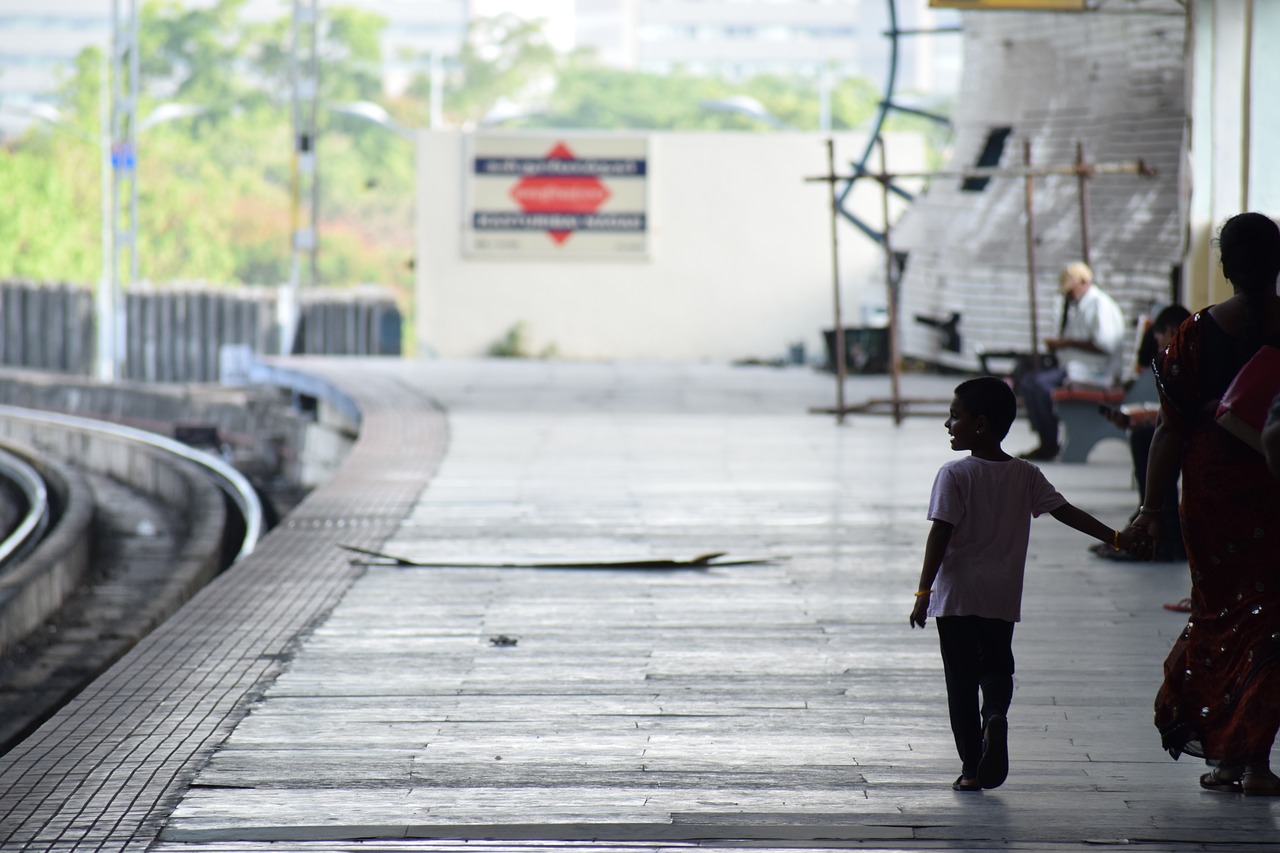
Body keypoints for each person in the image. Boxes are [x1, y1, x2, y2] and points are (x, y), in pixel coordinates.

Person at [909, 376, 1145, 791]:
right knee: (997, 666)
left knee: (961, 683)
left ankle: (970, 769)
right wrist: (1116, 537)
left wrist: (923, 592)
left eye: (954, 416)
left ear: (980, 425)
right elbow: (1066, 511)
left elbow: (940, 536)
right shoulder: (1026, 474)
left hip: (958, 596)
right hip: (1001, 594)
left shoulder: (954, 475)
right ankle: (996, 714)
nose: (948, 425)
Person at [1127, 212, 1280, 796]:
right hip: (1275, 485)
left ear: (1224, 265)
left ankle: (1225, 758)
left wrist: (1152, 509)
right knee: (1272, 622)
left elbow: (1168, 429)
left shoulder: (1193, 333)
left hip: (1214, 494)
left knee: (1221, 617)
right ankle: (1256, 759)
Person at [1092, 304, 1191, 566]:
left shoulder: (1185, 356)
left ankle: (1162, 529)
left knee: (1151, 438)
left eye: (1158, 337)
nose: (1158, 343)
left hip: (1205, 432)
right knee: (1146, 435)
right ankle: (1148, 520)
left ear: (1169, 331)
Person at [1016, 262, 1127, 461]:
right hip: (1076, 368)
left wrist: (1065, 343)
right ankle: (1045, 439)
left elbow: (1105, 344)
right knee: (1027, 382)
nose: (1068, 295)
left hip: (1096, 371)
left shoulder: (1100, 305)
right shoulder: (1081, 306)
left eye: (1071, 289)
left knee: (1039, 386)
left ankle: (1049, 444)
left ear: (1084, 282)